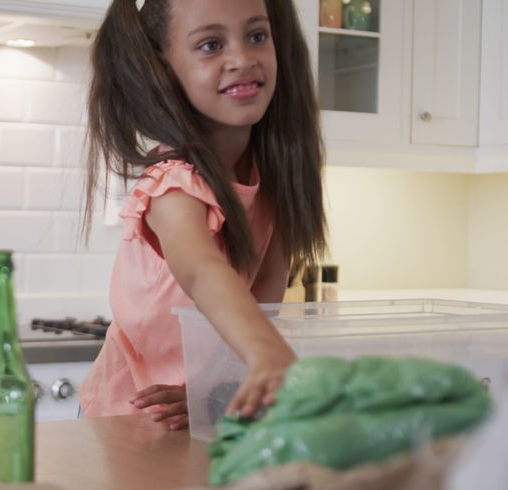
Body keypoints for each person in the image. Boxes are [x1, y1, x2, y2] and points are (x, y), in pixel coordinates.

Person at [79, 0, 327, 430]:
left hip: (205, 413)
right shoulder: (172, 182)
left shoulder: (274, 179)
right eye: (211, 44)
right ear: (163, 66)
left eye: (256, 36)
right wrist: (270, 357)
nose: (242, 59)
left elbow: (264, 299)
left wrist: (214, 389)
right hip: (130, 416)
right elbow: (201, 270)